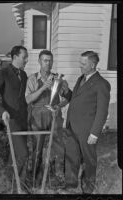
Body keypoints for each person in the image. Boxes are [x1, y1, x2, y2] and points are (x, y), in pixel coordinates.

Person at [62, 51, 111, 194]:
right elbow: (75, 98)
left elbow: (102, 111)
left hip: (87, 130)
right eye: (80, 62)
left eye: (83, 64)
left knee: (89, 160)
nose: (80, 66)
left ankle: (88, 188)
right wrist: (65, 91)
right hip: (72, 126)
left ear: (93, 65)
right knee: (71, 156)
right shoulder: (81, 78)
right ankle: (70, 184)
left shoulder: (102, 84)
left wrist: (95, 133)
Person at [25, 50, 69, 187]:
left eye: (50, 60)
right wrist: (43, 87)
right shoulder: (32, 79)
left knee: (58, 147)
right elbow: (28, 99)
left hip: (54, 115)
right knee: (37, 149)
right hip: (37, 116)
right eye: (45, 60)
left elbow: (68, 97)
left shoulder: (58, 78)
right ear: (39, 61)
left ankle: (57, 177)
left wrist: (59, 106)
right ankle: (34, 178)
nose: (48, 63)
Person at [0, 46, 29, 190]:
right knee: (23, 154)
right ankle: (17, 185)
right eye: (25, 57)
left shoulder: (24, 75)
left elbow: (23, 99)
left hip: (24, 119)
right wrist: (2, 111)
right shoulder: (3, 73)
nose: (27, 60)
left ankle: (9, 181)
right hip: (11, 120)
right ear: (15, 56)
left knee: (16, 154)